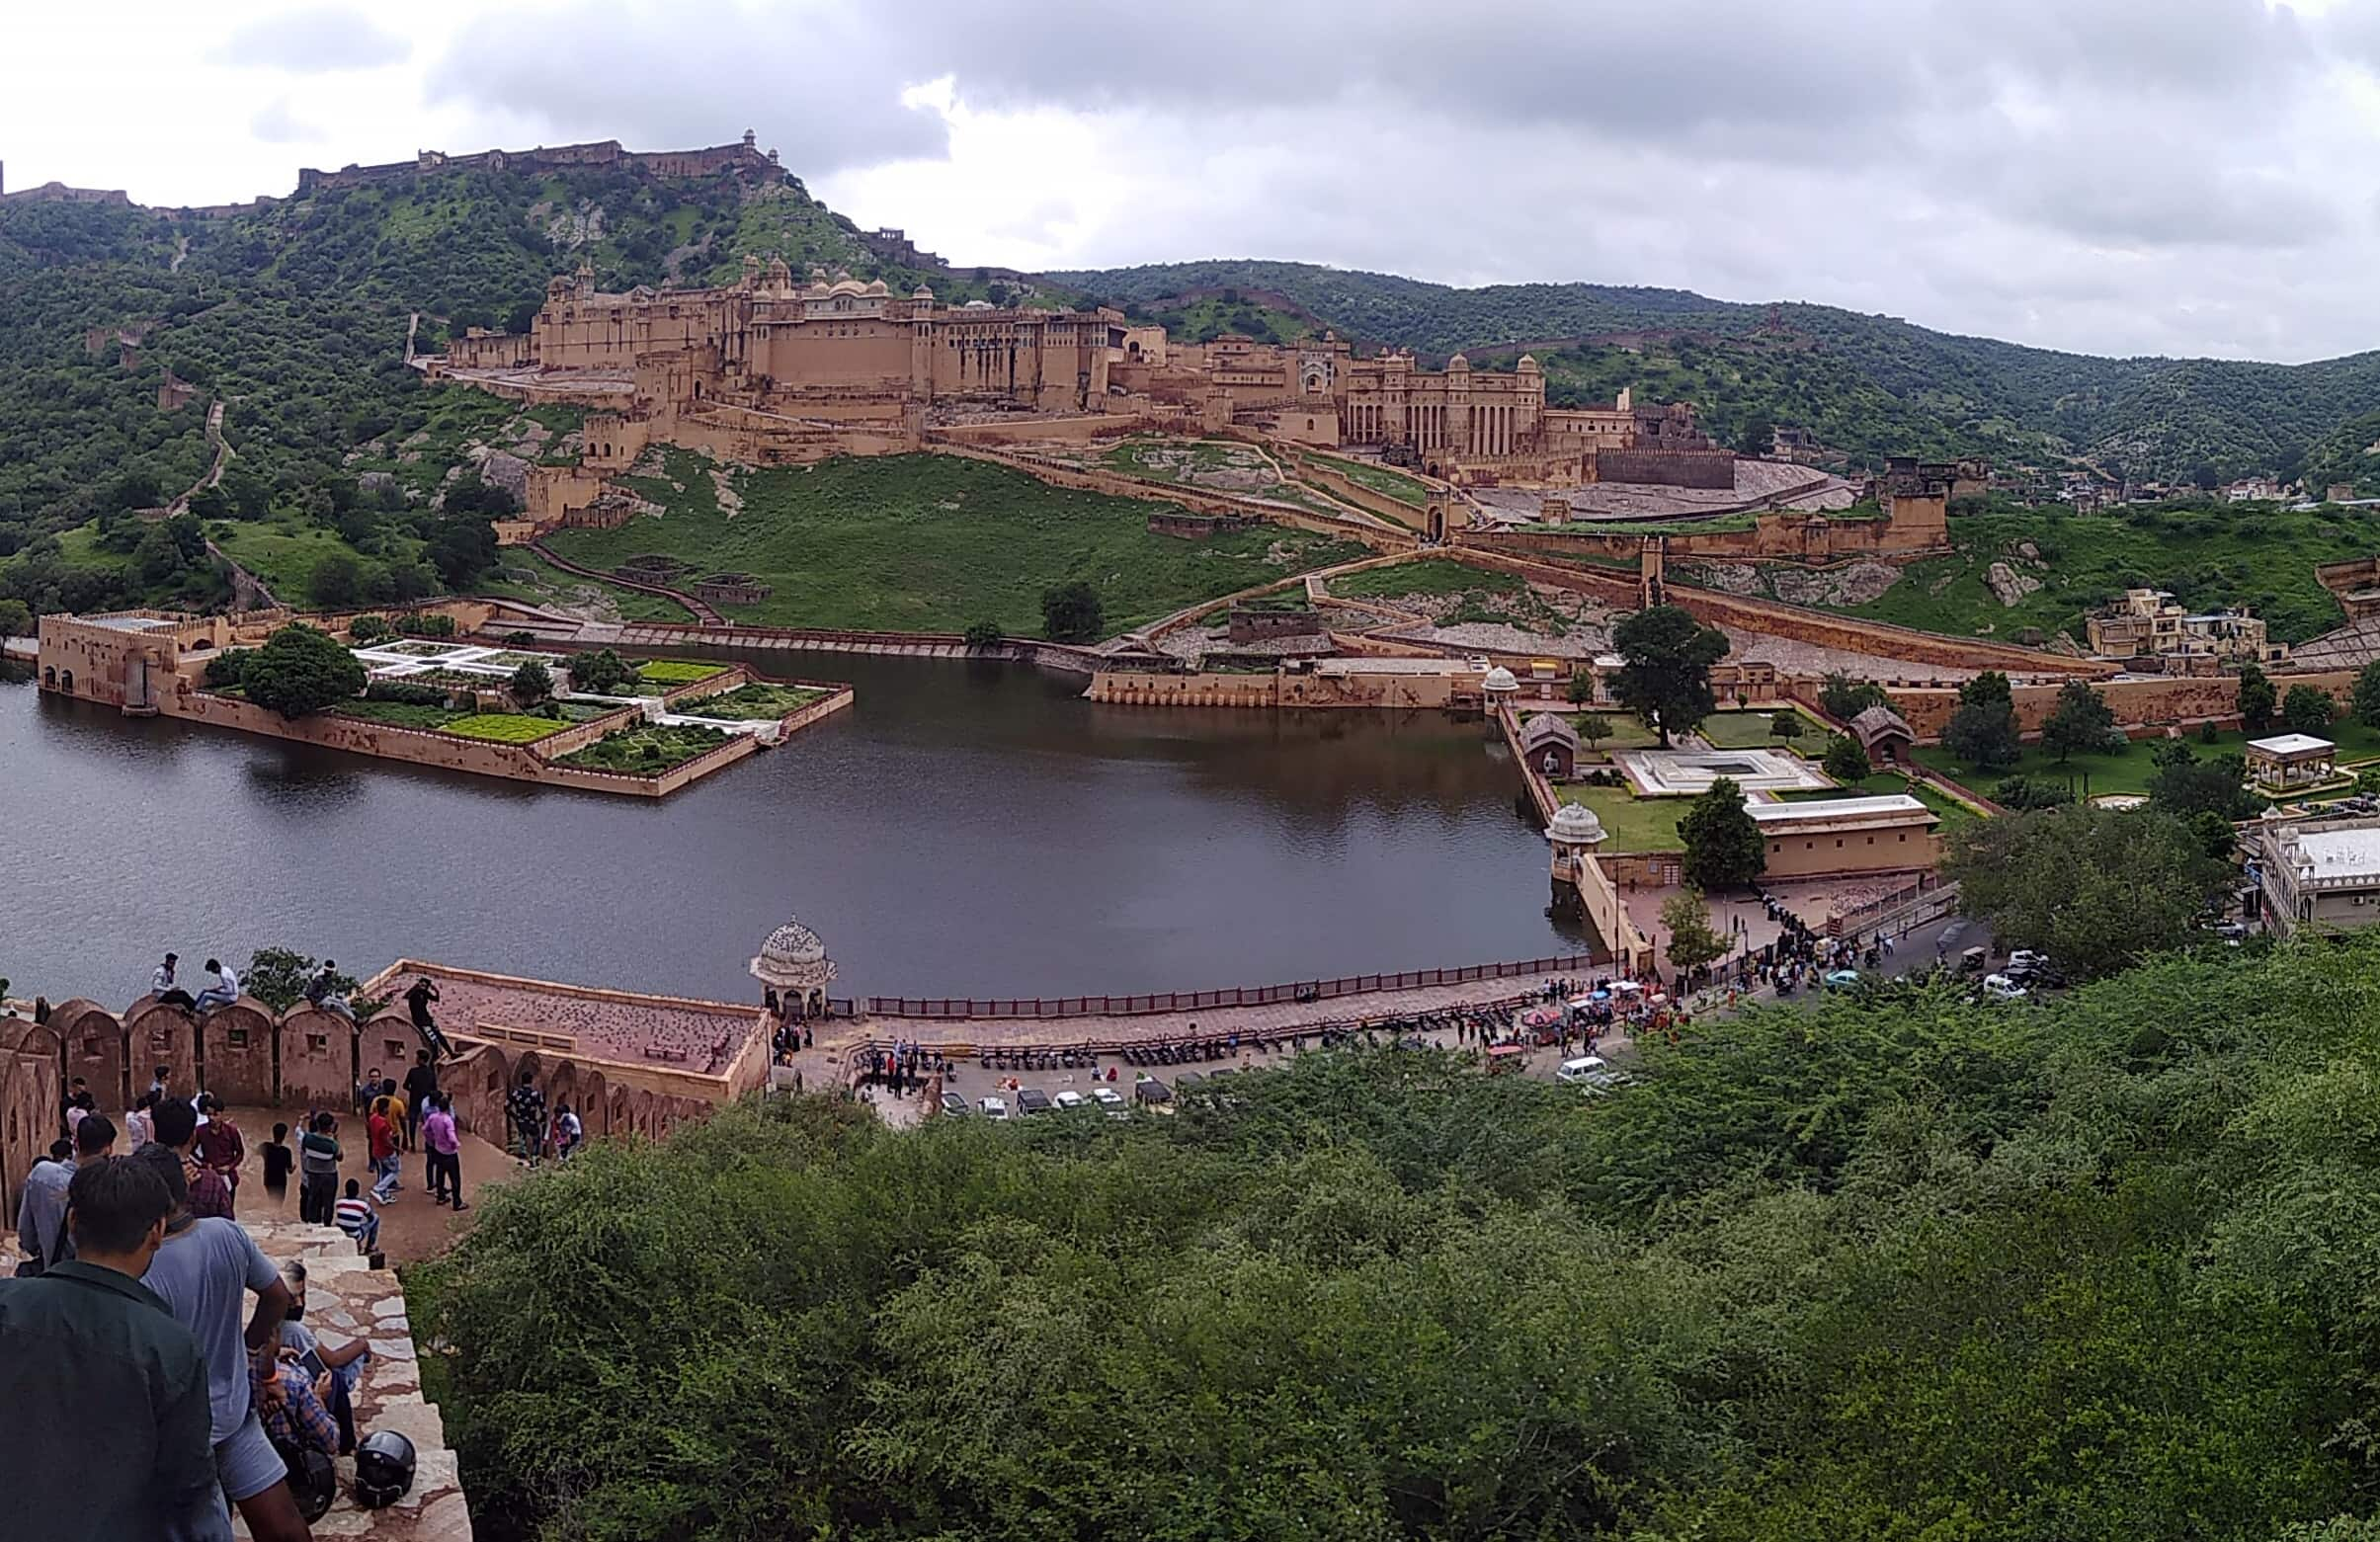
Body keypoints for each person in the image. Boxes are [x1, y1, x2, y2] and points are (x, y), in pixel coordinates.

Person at [0, 1157, 232, 1541]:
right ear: (157, 1231)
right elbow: (188, 1483)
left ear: (72, 1223)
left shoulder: (8, 1304)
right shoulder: (170, 1347)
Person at [138, 1145, 311, 1542]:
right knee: (284, 1525)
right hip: (233, 1413)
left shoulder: (142, 1267)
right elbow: (278, 1295)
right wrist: (250, 1345)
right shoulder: (226, 1234)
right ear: (184, 1191)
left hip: (174, 1436)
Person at [275, 1258, 368, 1453]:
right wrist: (362, 1344)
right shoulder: (294, 1331)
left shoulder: (272, 1326)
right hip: (302, 1400)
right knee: (338, 1379)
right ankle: (347, 1443)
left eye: (302, 1295)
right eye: (293, 1297)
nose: (299, 1303)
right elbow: (334, 1360)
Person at [15, 1112, 116, 1275]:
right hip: (94, 1283)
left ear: (75, 1143)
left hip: (53, 1276)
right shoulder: (110, 1187)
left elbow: (26, 1236)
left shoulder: (41, 1175)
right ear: (108, 1149)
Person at [151, 1096, 234, 1222]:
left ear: (154, 1135)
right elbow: (228, 1229)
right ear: (193, 1137)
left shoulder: (138, 1177)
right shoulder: (211, 1183)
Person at [194, 1095, 245, 1208]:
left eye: (215, 1115)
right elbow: (191, 1153)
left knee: (228, 1208)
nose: (211, 1118)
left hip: (228, 1176)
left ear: (222, 1114)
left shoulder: (232, 1131)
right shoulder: (200, 1131)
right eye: (209, 1115)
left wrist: (229, 1167)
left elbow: (240, 1153)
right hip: (208, 1176)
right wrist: (204, 1165)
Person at [422, 1092, 466, 1212]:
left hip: (438, 1149)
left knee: (440, 1174)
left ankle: (441, 1197)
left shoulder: (433, 1117)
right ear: (448, 1107)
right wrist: (456, 1144)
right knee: (455, 1178)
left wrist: (431, 1140)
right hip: (450, 1153)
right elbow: (451, 1136)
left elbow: (425, 1130)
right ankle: (457, 1202)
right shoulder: (448, 1120)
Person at [297, 1114, 341, 1228]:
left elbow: (304, 1150)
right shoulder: (332, 1144)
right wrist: (336, 1138)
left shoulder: (307, 1138)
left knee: (313, 1198)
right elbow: (340, 1156)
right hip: (329, 1175)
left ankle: (312, 1222)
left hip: (312, 1173)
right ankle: (326, 1223)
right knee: (328, 1201)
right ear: (330, 1126)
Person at [507, 1069, 546, 1168]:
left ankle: (522, 1159)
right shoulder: (535, 1094)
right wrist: (541, 1120)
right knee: (536, 1139)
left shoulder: (516, 1094)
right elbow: (544, 1110)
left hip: (520, 1121)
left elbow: (506, 1106)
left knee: (522, 1138)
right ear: (531, 1080)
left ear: (522, 1081)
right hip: (532, 1121)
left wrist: (514, 1116)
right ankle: (534, 1159)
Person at [401, 1050, 438, 1151]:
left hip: (414, 1101)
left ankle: (413, 1145)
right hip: (427, 1102)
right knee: (428, 1124)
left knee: (412, 1123)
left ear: (420, 1060)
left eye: (417, 1058)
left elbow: (405, 1085)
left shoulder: (412, 1071)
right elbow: (434, 1089)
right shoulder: (431, 1073)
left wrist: (412, 1090)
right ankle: (429, 1145)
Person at [365, 1099, 399, 1205]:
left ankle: (384, 1194)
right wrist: (397, 1148)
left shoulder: (373, 1118)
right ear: (384, 1109)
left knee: (384, 1171)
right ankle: (378, 1189)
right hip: (386, 1152)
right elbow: (387, 1140)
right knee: (395, 1170)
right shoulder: (383, 1124)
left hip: (376, 1150)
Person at [333, 1180, 379, 1255]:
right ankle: (370, 1247)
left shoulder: (339, 1202)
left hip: (342, 1232)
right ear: (357, 1191)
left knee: (353, 1219)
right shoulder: (362, 1204)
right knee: (376, 1218)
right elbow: (371, 1217)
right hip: (355, 1235)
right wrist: (368, 1204)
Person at [262, 1123, 293, 1202]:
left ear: (273, 1133)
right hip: (281, 1182)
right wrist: (294, 1168)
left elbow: (253, 1152)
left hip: (268, 1179)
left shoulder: (265, 1146)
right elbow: (289, 1171)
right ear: (284, 1136)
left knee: (270, 1199)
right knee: (278, 1204)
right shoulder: (286, 1152)